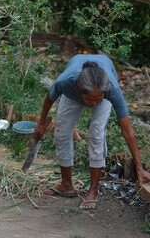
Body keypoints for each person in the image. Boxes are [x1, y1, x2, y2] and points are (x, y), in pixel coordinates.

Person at [34, 54, 150, 210]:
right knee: (61, 132)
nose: (94, 104)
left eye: (98, 99)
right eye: (90, 100)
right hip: (72, 95)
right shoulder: (66, 82)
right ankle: (66, 185)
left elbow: (127, 130)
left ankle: (93, 191)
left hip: (101, 88)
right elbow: (50, 97)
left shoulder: (111, 89)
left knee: (96, 135)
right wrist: (41, 124)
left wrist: (139, 167)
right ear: (79, 89)